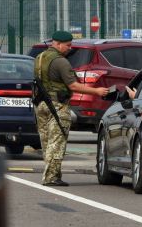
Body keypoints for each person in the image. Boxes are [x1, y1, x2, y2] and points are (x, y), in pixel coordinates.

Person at [34, 31, 109, 186]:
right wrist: (97, 91)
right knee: (57, 140)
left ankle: (51, 173)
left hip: (40, 104)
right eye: (67, 45)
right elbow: (73, 85)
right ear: (58, 44)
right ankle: (51, 177)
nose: (69, 48)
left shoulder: (39, 58)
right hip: (56, 105)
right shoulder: (61, 62)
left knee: (46, 142)